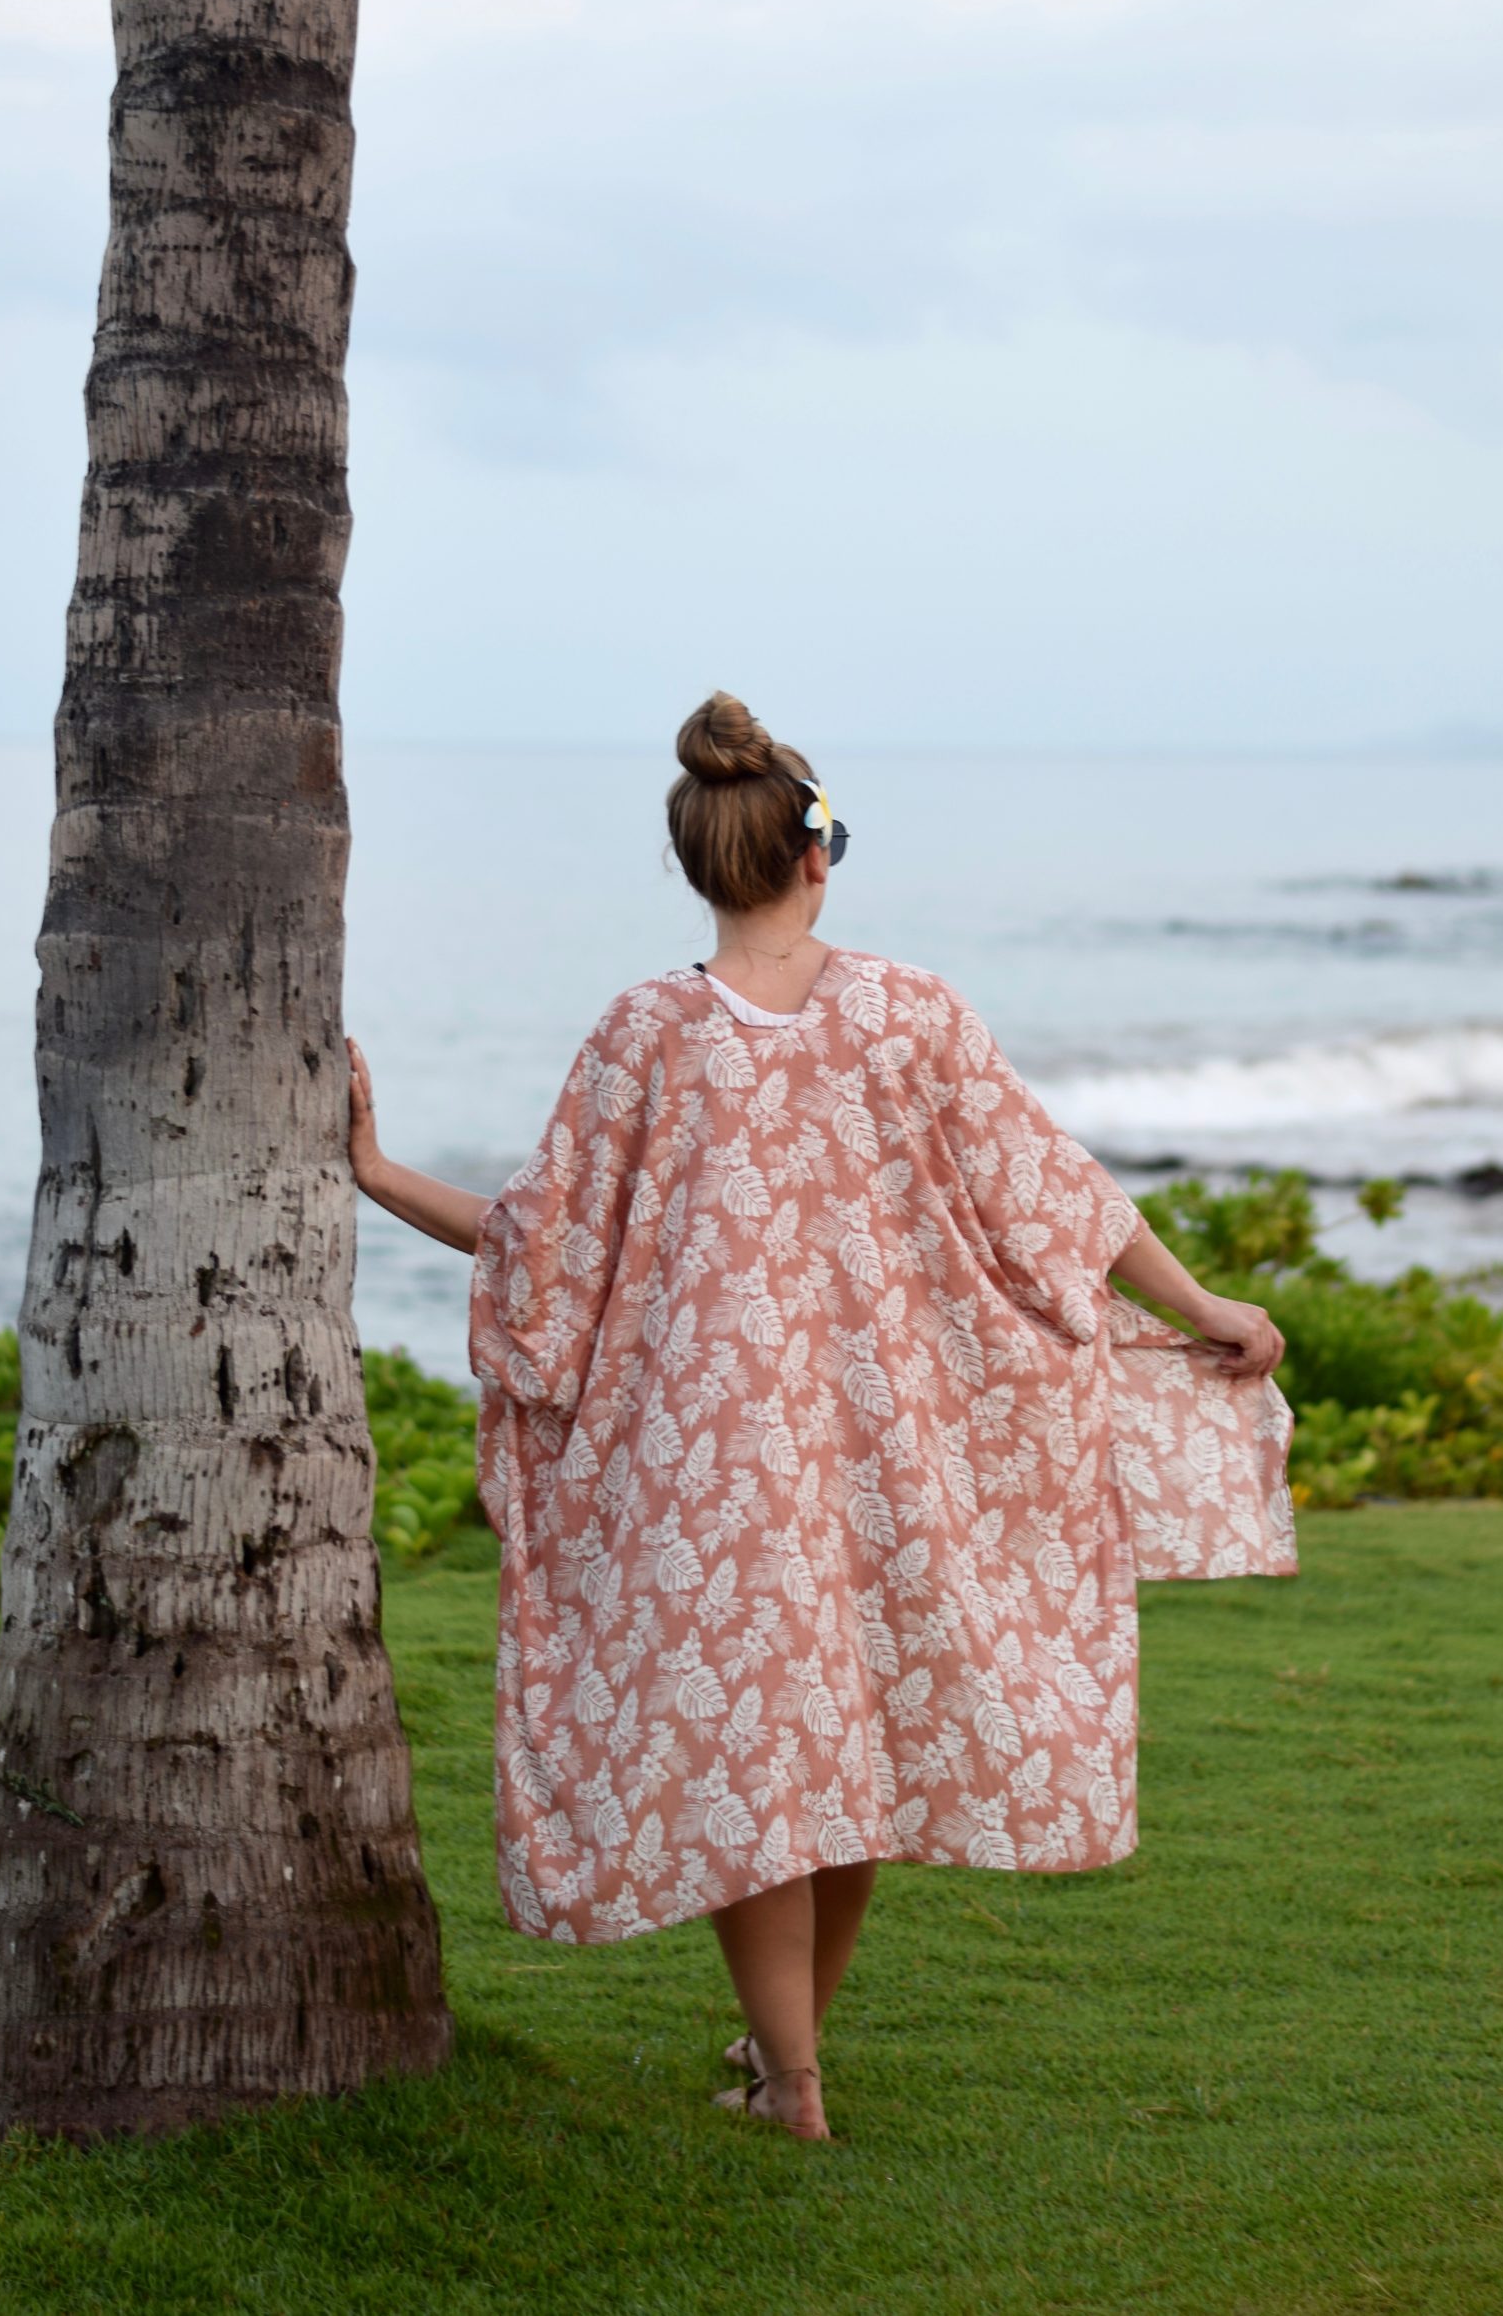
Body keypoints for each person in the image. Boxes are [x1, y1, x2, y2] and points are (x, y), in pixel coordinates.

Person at [347, 690, 1295, 2143]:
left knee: (763, 1759)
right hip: (887, 1462)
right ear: (815, 856)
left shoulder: (643, 1035)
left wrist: (376, 1171)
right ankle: (785, 2062)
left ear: (697, 868)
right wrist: (1202, 1304)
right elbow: (1059, 1203)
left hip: (708, 1478)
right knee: (851, 1752)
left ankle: (789, 2075)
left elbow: (540, 1250)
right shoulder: (913, 1012)